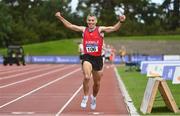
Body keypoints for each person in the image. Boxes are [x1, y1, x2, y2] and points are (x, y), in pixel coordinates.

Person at [55, 12, 126, 110]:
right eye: (89, 20)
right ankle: (85, 97)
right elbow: (70, 26)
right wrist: (60, 18)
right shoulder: (84, 30)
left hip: (98, 59)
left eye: (93, 20)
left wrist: (121, 22)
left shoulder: (100, 29)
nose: (91, 22)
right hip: (87, 57)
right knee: (87, 77)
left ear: (96, 21)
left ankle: (93, 97)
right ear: (86, 21)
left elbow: (113, 28)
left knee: (97, 83)